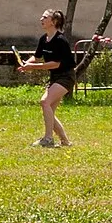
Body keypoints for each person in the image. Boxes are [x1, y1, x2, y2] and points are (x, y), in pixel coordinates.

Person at [16, 8, 74, 148]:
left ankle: (48, 139)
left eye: (45, 17)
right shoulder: (44, 39)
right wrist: (27, 64)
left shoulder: (61, 41)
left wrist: (33, 67)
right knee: (50, 112)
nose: (41, 19)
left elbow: (56, 64)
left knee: (44, 102)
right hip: (55, 77)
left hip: (66, 77)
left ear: (53, 22)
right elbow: (36, 57)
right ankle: (65, 141)